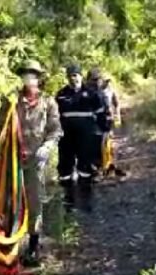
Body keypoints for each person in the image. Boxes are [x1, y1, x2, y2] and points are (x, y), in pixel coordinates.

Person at [0, 59, 63, 266]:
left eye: (33, 74)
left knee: (34, 202)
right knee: (10, 201)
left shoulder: (48, 102)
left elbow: (55, 130)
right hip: (13, 159)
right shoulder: (12, 101)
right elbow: (0, 128)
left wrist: (47, 147)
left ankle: (33, 246)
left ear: (39, 78)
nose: (29, 78)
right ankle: (10, 247)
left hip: (36, 161)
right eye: (25, 74)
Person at [55, 64, 106, 210]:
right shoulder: (61, 94)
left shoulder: (91, 94)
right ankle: (69, 200)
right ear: (67, 77)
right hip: (66, 138)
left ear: (81, 76)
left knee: (85, 167)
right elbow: (54, 117)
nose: (73, 78)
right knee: (65, 168)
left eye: (76, 75)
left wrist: (103, 131)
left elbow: (101, 113)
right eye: (70, 75)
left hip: (86, 138)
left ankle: (86, 200)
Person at [100, 76, 127, 177]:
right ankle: (105, 165)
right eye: (105, 81)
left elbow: (116, 104)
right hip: (99, 119)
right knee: (103, 143)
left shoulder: (111, 91)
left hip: (109, 119)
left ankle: (112, 164)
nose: (107, 83)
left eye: (108, 81)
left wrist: (117, 116)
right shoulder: (95, 91)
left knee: (110, 142)